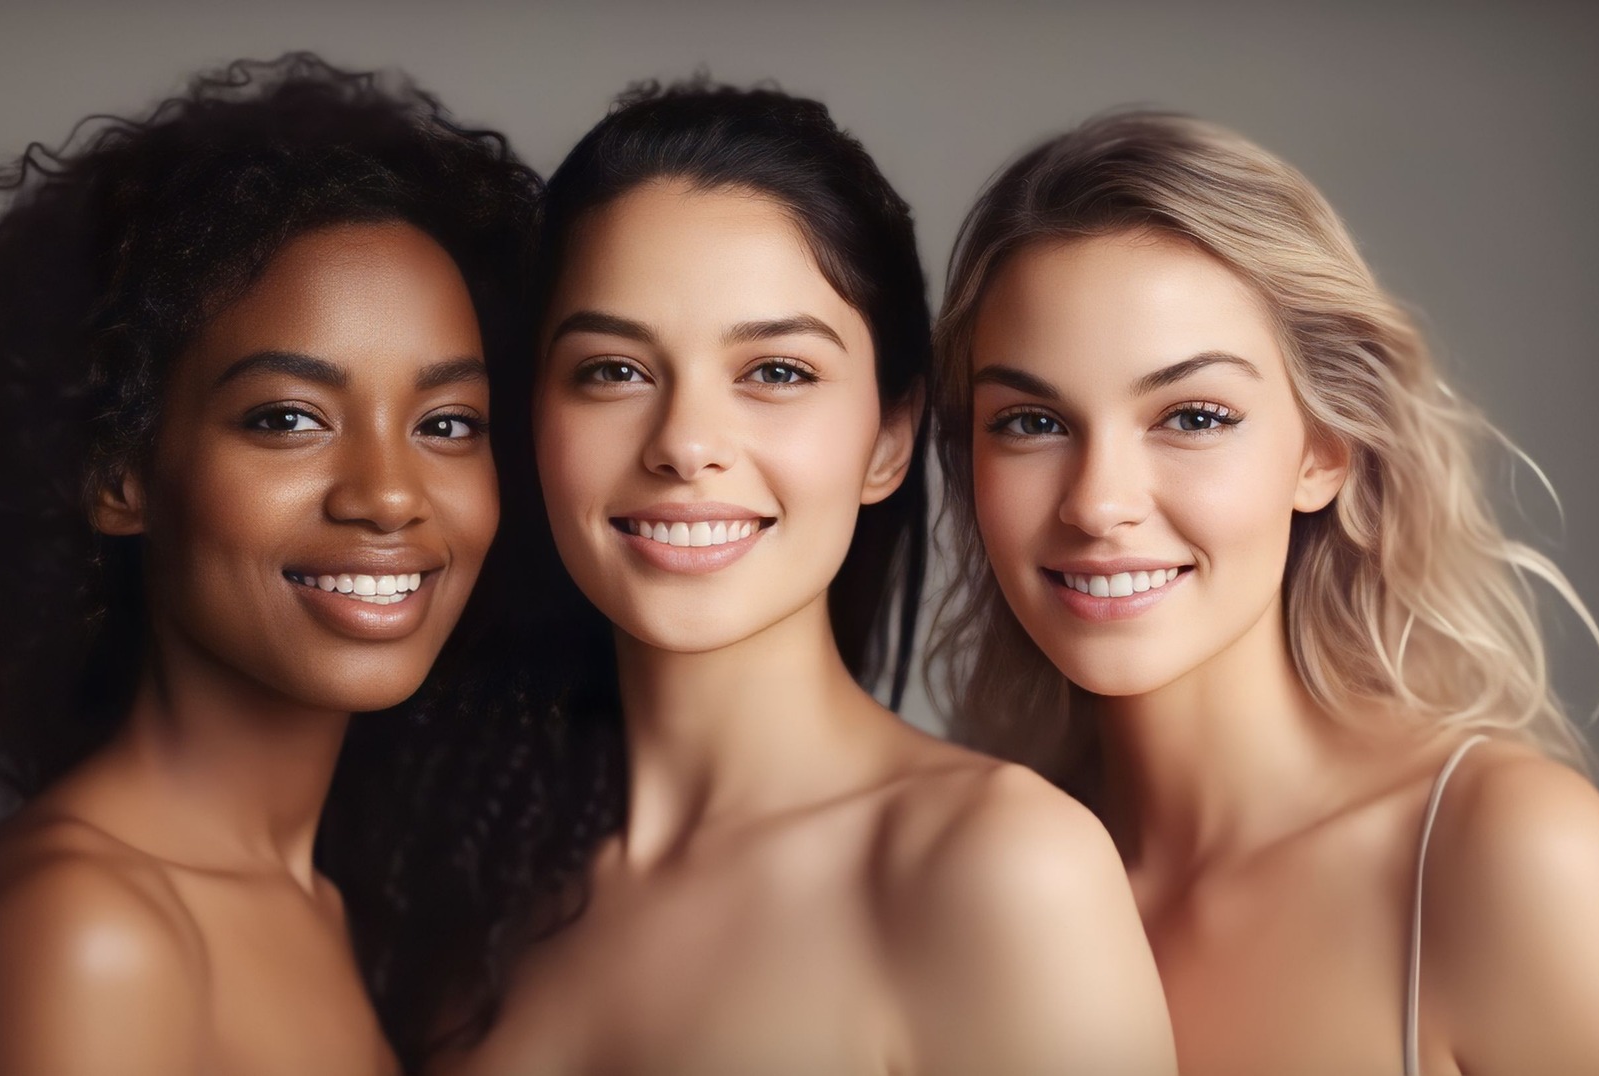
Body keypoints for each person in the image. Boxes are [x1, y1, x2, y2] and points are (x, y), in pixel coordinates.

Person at [0, 54, 541, 1075]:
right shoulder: (87, 929)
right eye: (287, 418)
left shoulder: (323, 902)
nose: (390, 493)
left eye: (448, 421)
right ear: (120, 475)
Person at [429, 80, 1176, 1076]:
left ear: (890, 438)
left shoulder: (997, 868)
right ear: (531, 423)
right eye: (613, 370)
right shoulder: (462, 866)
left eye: (776, 371)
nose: (687, 443)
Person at [929, 110, 1599, 1074]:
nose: (1099, 503)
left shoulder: (1502, 857)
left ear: (1324, 451)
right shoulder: (980, 879)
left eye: (1192, 416)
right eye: (1030, 422)